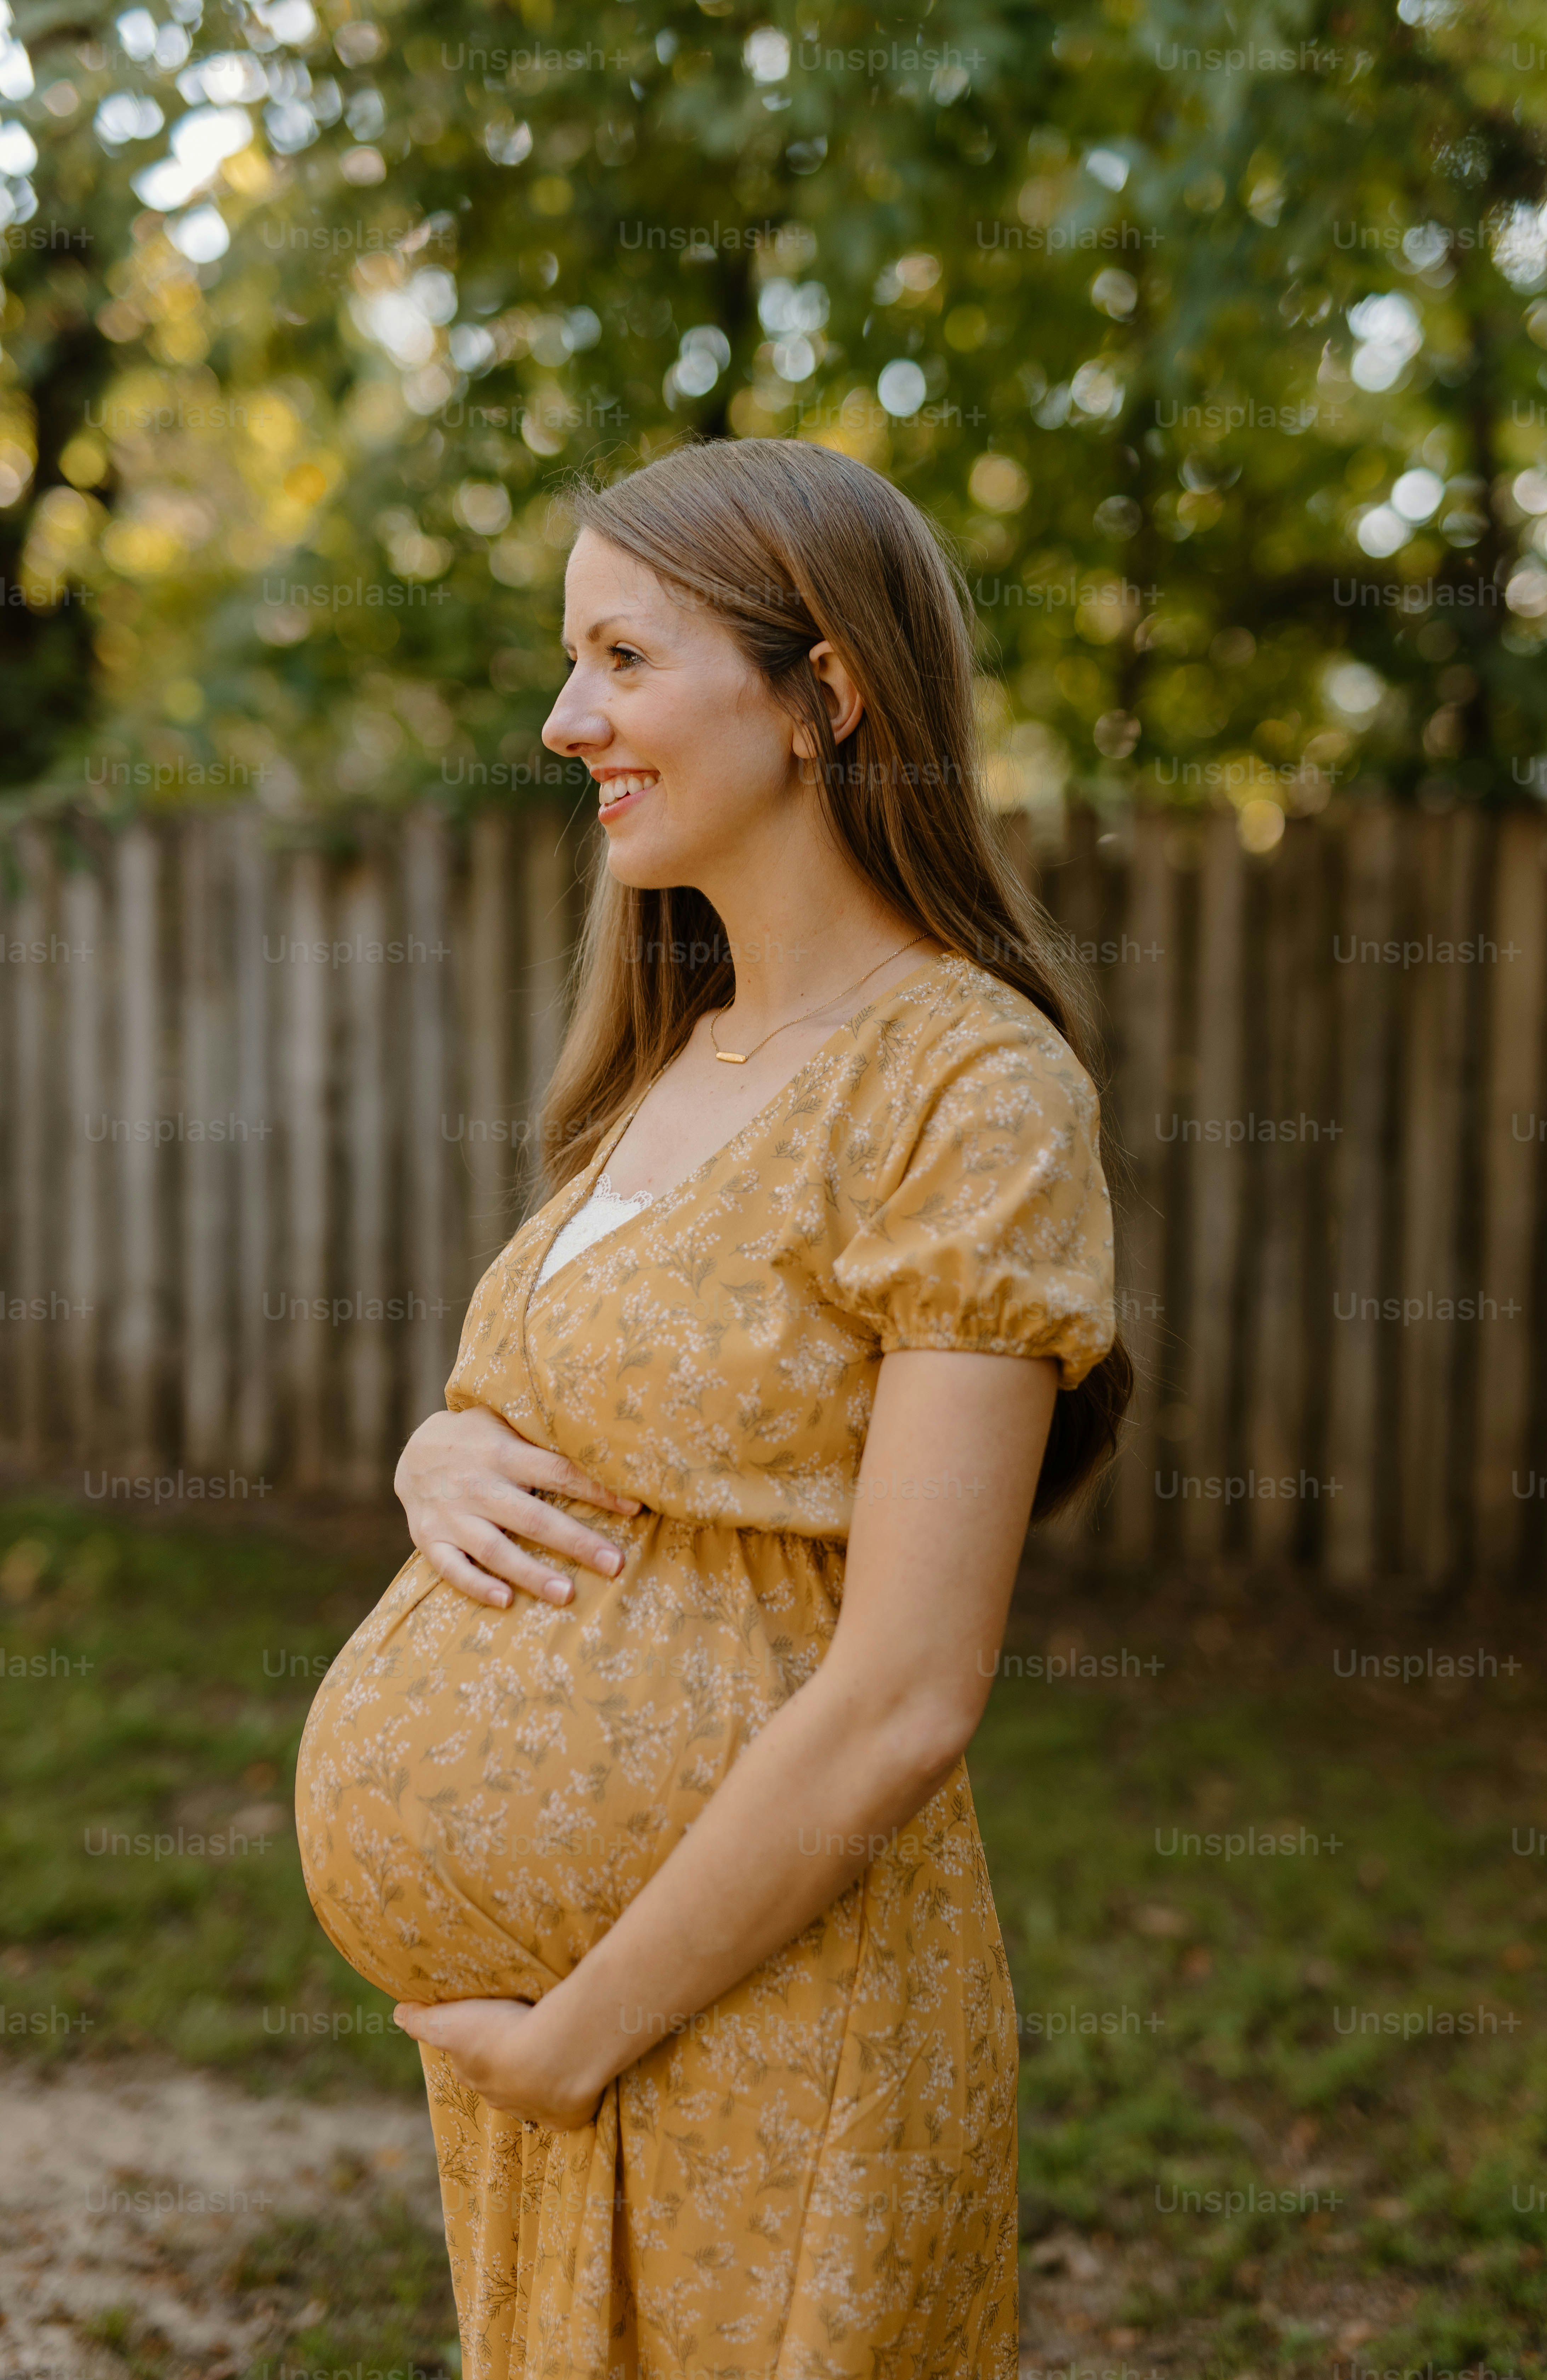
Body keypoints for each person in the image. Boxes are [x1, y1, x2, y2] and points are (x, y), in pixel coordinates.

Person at [295, 436, 1130, 2380]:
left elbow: (912, 1690)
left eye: (622, 658)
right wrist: (437, 1451)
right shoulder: (677, 1055)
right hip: (559, 2048)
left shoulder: (964, 1086)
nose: (565, 715)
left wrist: (578, 2037)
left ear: (823, 694)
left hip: (762, 2020)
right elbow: (568, 1409)